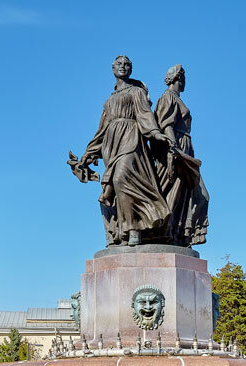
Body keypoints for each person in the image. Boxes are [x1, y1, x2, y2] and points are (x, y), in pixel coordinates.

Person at [75, 55, 173, 246]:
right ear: (112, 69)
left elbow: (144, 115)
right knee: (115, 187)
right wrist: (89, 153)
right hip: (111, 144)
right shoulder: (108, 101)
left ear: (131, 69)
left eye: (127, 64)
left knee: (121, 179)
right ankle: (123, 230)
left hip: (131, 138)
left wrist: (155, 133)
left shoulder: (136, 92)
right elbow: (102, 129)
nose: (123, 66)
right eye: (119, 64)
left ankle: (133, 228)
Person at [154, 64, 209, 246]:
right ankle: (166, 231)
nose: (184, 82)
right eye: (183, 77)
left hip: (185, 148)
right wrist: (174, 148)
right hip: (177, 149)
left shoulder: (176, 98)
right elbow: (166, 124)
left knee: (194, 196)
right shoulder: (168, 97)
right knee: (175, 193)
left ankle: (179, 233)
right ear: (178, 78)